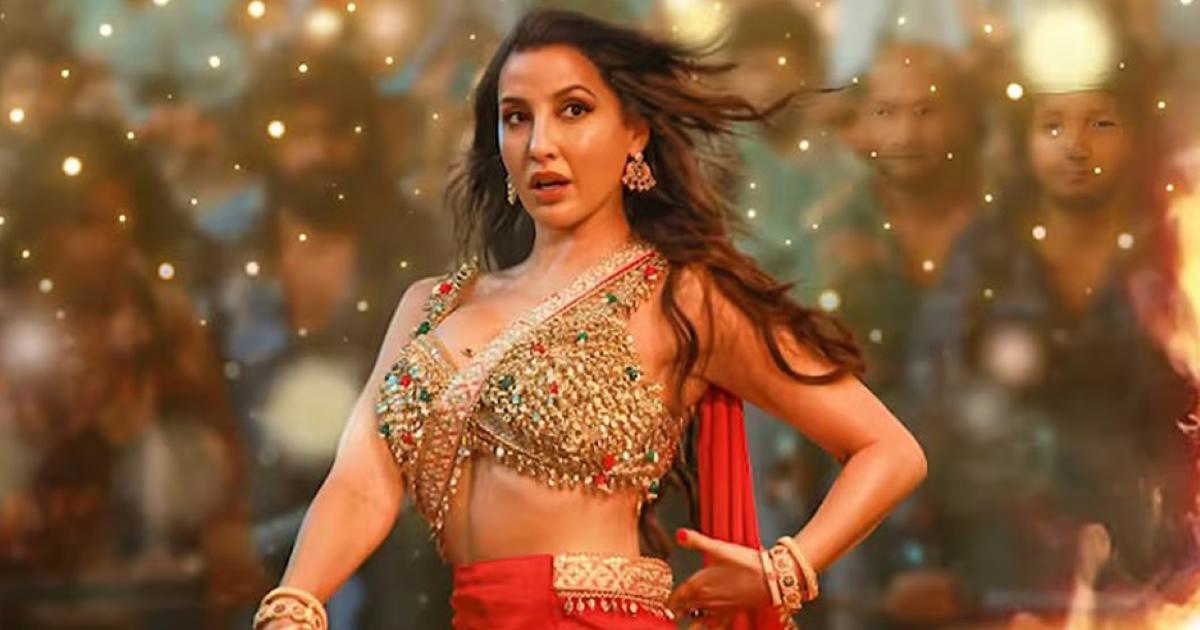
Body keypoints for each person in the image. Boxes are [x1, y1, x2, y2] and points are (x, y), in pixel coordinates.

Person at [253, 9, 927, 630]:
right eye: (516, 117)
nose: (541, 143)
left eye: (573, 110)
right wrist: (294, 603)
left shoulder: (681, 296)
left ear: (635, 131)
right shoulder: (432, 305)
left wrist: (784, 569)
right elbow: (362, 482)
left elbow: (889, 451)